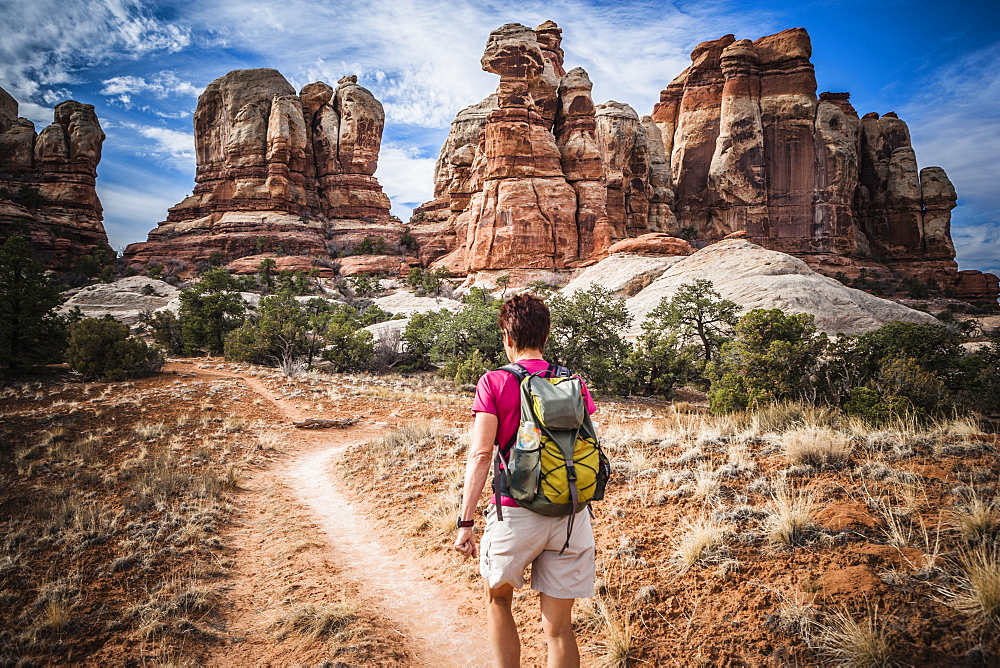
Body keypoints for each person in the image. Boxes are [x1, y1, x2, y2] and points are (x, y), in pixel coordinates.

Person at [454, 293, 597, 668]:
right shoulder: (572, 381)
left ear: (508, 337)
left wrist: (465, 522)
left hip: (514, 513)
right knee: (560, 628)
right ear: (545, 337)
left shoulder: (495, 381)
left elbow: (481, 454)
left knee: (498, 599)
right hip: (570, 514)